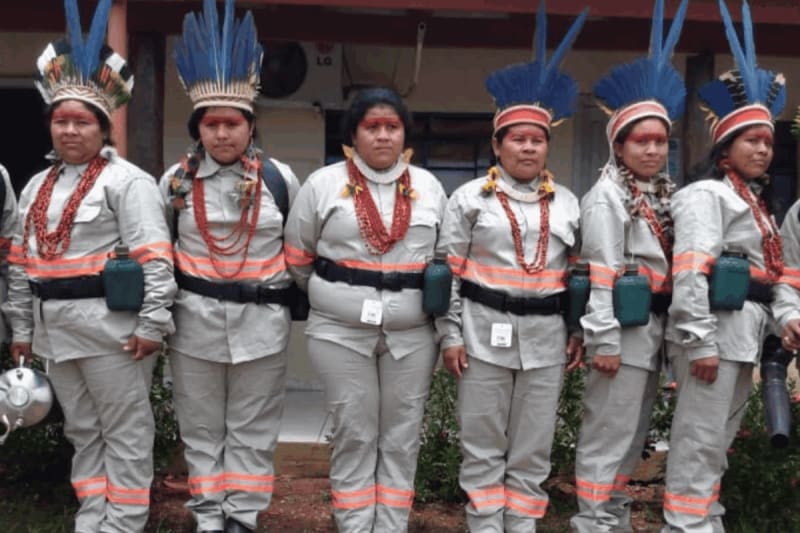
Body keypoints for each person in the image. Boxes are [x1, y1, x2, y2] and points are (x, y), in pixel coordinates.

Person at [2, 1, 176, 531]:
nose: (70, 130)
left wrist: (152, 324)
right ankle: (92, 518)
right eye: (61, 121)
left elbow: (155, 259)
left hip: (113, 334)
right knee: (82, 432)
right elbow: (21, 266)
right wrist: (22, 330)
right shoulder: (36, 187)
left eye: (82, 121)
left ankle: (123, 522)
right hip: (56, 335)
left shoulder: (128, 183)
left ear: (103, 128)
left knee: (125, 432)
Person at [435, 4, 587, 531]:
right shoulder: (469, 199)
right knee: (482, 443)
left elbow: (578, 275)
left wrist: (577, 330)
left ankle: (520, 526)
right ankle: (485, 525)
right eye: (518, 138)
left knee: (532, 448)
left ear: (547, 146)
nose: (528, 147)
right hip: (482, 335)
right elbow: (449, 272)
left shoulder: (568, 203)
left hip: (546, 340)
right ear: (497, 145)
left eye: (537, 139)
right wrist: (449, 334)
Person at [163, 1, 300, 532]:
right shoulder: (173, 182)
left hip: (262, 326)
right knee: (200, 428)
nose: (222, 134)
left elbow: (299, 250)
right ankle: (208, 517)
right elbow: (159, 249)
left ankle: (242, 516)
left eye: (232, 123)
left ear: (250, 126)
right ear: (198, 129)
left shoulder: (280, 180)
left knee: (253, 428)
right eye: (211, 124)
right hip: (193, 324)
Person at [284, 86, 447, 532]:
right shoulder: (323, 184)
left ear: (404, 134)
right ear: (353, 134)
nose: (383, 136)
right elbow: (298, 257)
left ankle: (391, 525)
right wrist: (340, 295)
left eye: (392, 127)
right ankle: (354, 525)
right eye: (371, 127)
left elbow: (444, 258)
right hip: (339, 332)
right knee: (354, 433)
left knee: (402, 436)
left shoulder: (429, 187)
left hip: (412, 334)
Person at [662, 1, 787, 530]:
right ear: (725, 147)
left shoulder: (755, 204)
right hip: (713, 335)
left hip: (742, 337)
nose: (762, 150)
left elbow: (769, 278)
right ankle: (685, 525)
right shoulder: (705, 196)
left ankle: (704, 520)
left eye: (768, 142)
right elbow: (691, 270)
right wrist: (700, 341)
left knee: (718, 443)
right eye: (752, 141)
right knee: (697, 440)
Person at [571, 1, 687, 531]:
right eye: (642, 141)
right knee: (608, 434)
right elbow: (601, 272)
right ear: (619, 145)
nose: (653, 149)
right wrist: (604, 341)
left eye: (660, 141)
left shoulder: (663, 195)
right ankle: (593, 521)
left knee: (633, 435)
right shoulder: (607, 197)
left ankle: (613, 517)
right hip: (621, 332)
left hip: (652, 331)